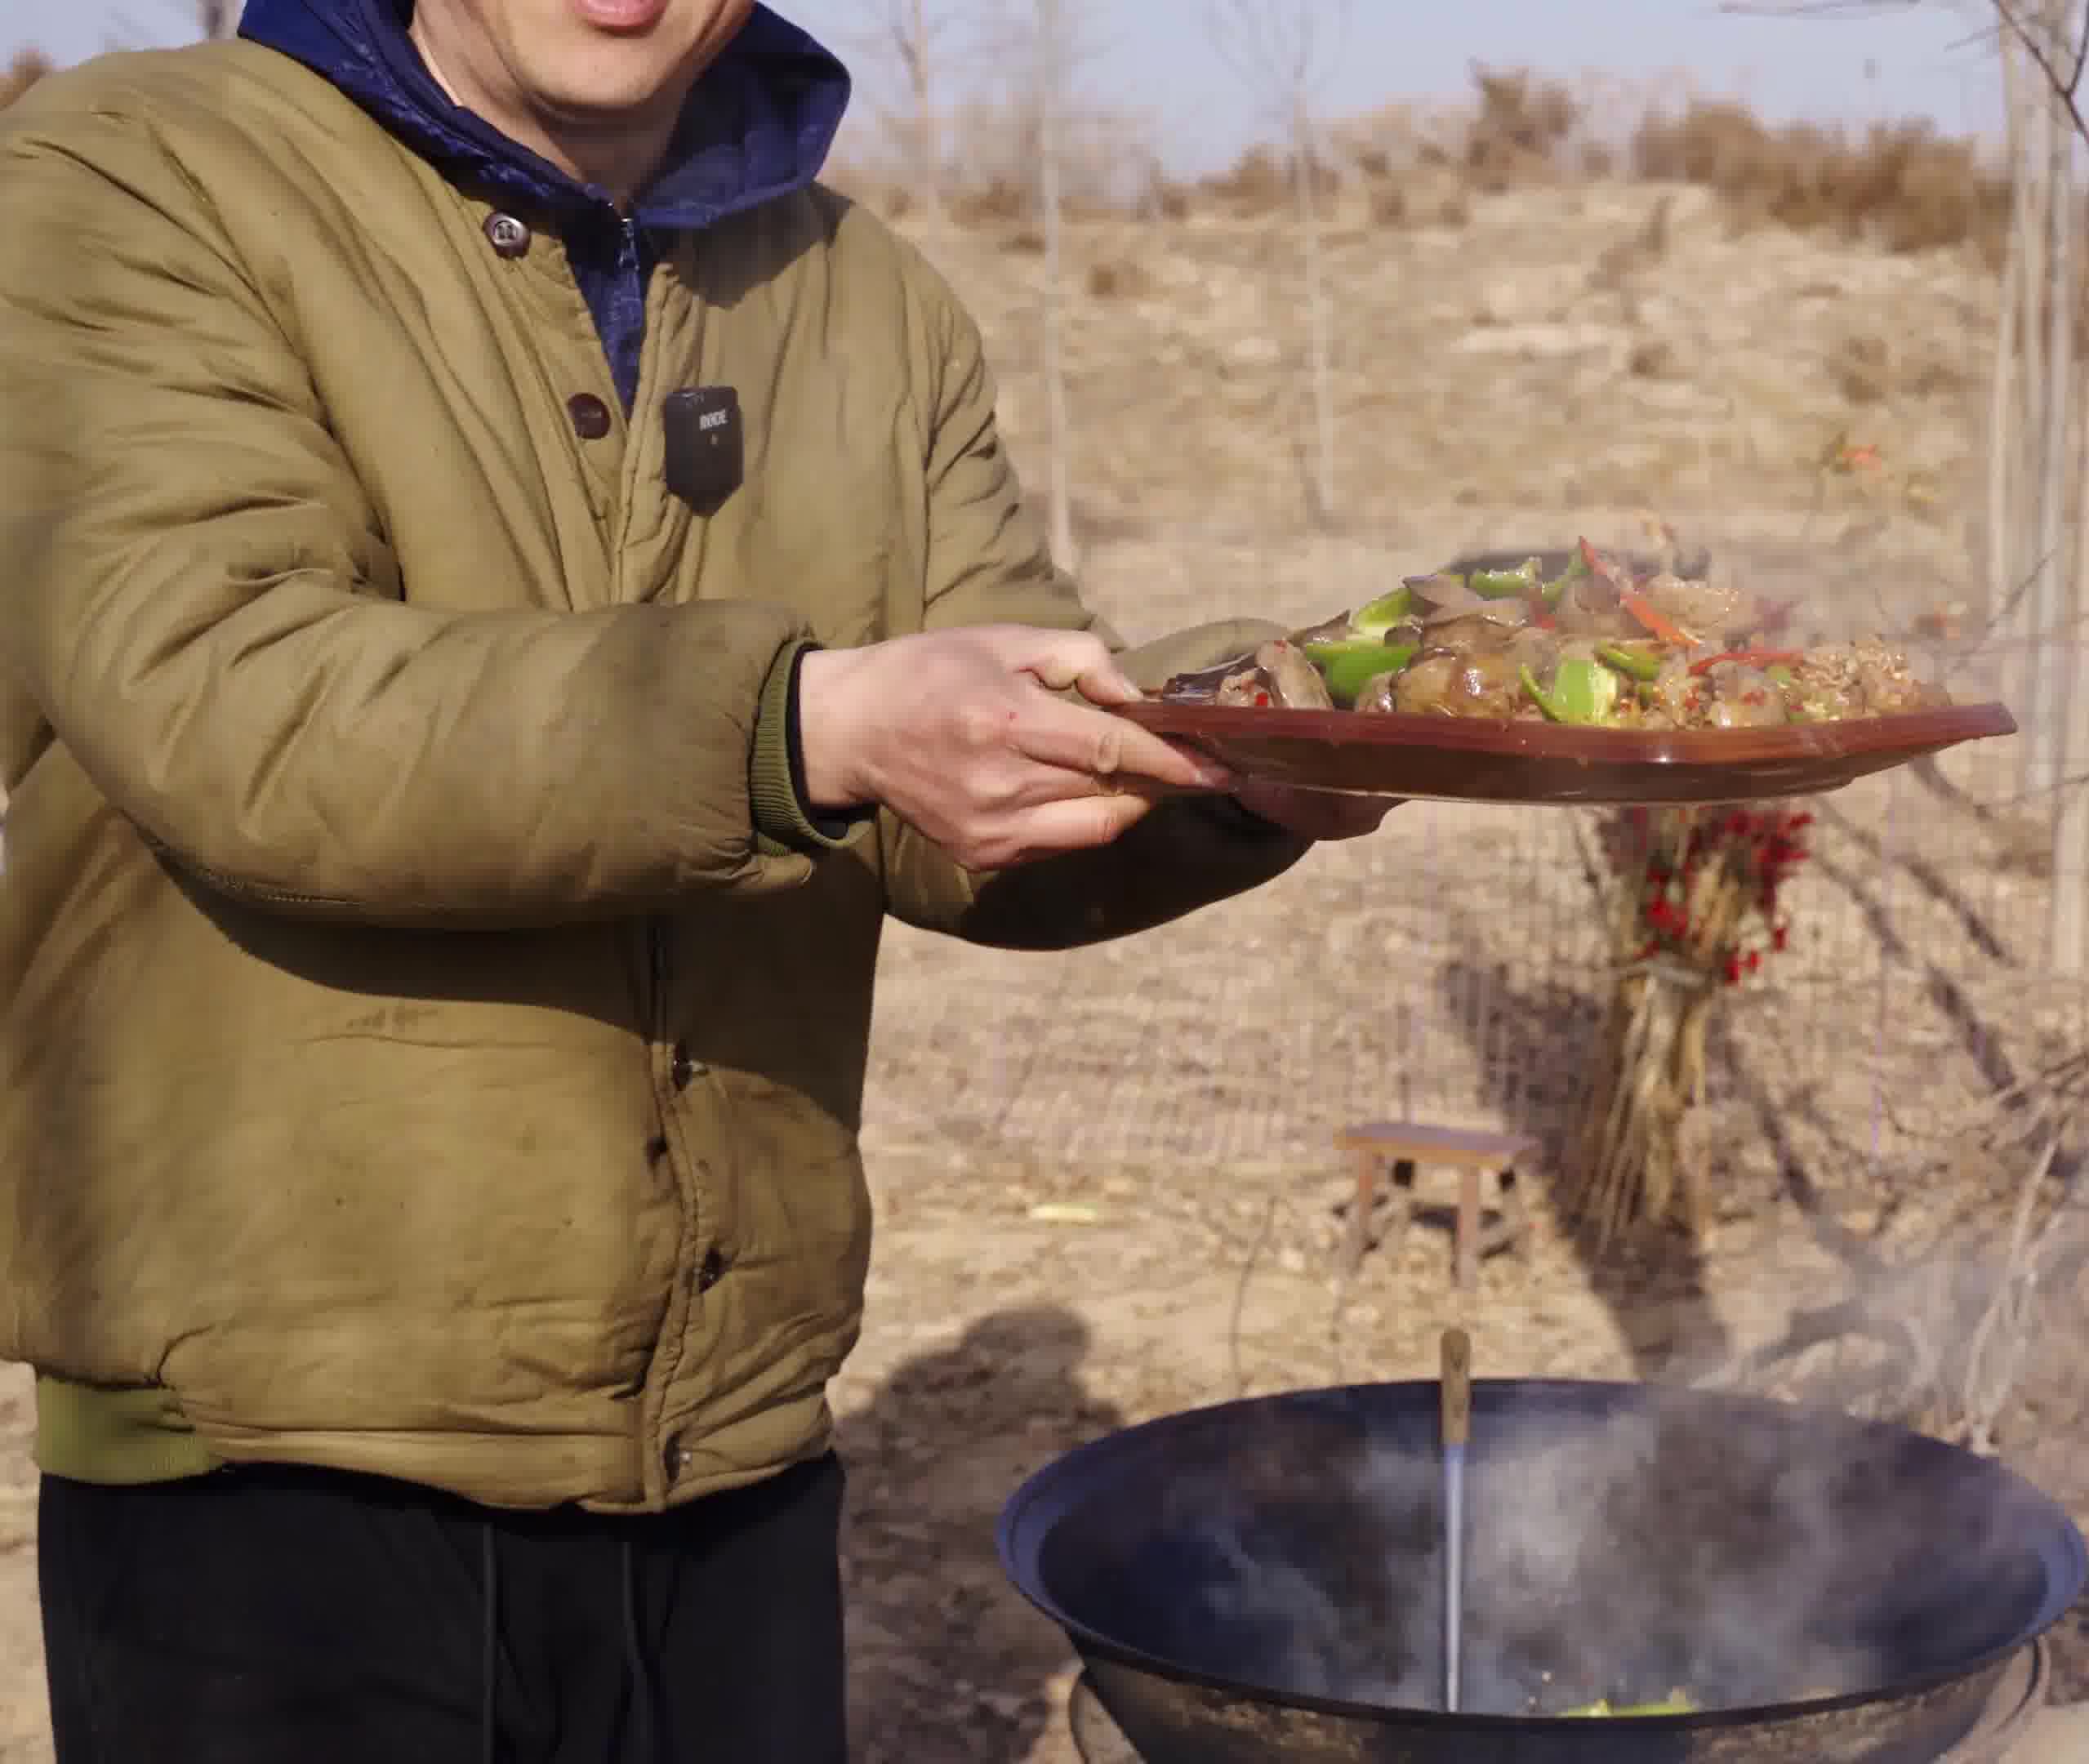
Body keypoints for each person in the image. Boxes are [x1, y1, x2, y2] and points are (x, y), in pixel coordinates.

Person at [0, 2, 1392, 1759]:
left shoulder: (858, 294)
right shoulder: (139, 173)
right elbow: (239, 704)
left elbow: (971, 772)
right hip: (275, 1463)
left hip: (728, 1445)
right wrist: (801, 728)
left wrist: (1265, 746)